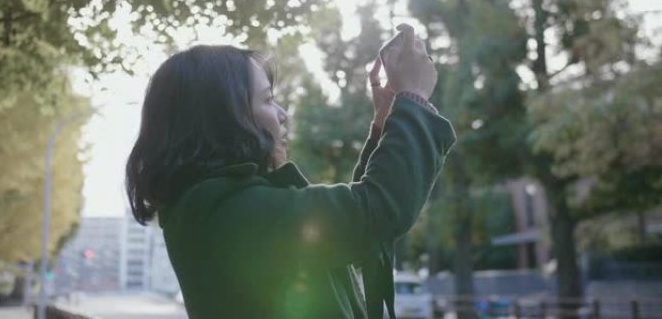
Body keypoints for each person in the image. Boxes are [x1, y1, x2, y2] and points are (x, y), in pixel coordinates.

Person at [125, 23, 456, 319]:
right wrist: (412, 99)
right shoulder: (227, 212)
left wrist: (385, 127)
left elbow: (350, 229)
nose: (282, 114)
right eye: (268, 100)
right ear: (223, 118)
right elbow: (373, 214)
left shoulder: (218, 207)